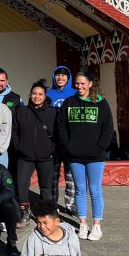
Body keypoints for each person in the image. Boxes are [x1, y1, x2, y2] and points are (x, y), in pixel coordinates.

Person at [56, 71, 114, 241]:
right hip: (75, 156)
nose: (79, 87)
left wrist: (101, 147)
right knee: (80, 190)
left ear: (90, 84)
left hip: (95, 156)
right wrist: (68, 146)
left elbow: (108, 128)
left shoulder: (101, 103)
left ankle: (97, 225)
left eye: (83, 83)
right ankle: (82, 223)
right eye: (77, 83)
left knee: (95, 190)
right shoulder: (69, 102)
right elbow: (62, 127)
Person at [11, 79, 57, 226]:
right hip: (25, 156)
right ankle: (24, 213)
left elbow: (58, 133)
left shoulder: (52, 112)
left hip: (46, 157)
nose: (37, 96)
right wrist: (18, 146)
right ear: (30, 95)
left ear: (45, 96)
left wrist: (52, 148)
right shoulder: (21, 111)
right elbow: (14, 130)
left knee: (46, 188)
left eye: (40, 94)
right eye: (34, 93)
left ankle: (46, 214)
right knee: (22, 185)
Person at [47, 65, 77, 216]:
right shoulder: (48, 94)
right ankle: (52, 204)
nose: (60, 78)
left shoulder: (75, 93)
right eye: (58, 75)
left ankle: (71, 205)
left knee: (71, 175)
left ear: (68, 78)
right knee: (52, 174)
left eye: (64, 76)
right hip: (52, 141)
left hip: (71, 141)